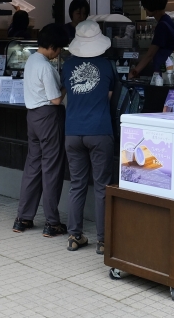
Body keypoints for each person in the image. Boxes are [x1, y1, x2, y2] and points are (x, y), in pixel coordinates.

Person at [61, 20, 117, 254]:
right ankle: (103, 241)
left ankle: (74, 236)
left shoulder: (66, 66)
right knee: (102, 187)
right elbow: (110, 96)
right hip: (99, 130)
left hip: (72, 132)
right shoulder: (107, 66)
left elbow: (64, 94)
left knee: (77, 185)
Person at [13, 23, 69, 237]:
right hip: (48, 117)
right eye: (59, 49)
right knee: (51, 168)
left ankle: (23, 218)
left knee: (33, 166)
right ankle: (52, 222)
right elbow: (55, 99)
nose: (59, 53)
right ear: (53, 46)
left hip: (32, 117)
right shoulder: (46, 66)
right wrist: (66, 86)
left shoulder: (31, 61)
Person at [131, 0, 174, 78]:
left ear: (152, 6)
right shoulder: (167, 20)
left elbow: (149, 55)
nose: (144, 8)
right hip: (171, 70)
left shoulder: (162, 26)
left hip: (165, 72)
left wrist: (133, 73)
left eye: (145, 6)